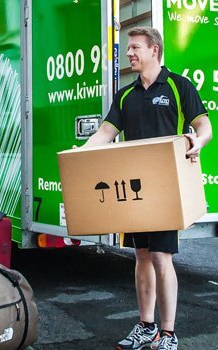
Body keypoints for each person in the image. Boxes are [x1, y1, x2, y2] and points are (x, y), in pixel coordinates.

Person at [83, 27, 212, 350]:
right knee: (141, 256)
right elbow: (105, 132)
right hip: (135, 189)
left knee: (161, 256)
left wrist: (199, 141)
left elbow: (203, 126)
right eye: (129, 49)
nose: (129, 53)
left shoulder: (178, 86)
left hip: (166, 187)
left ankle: (168, 334)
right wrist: (81, 152)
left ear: (154, 50)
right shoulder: (126, 95)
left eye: (135, 48)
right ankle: (146, 327)